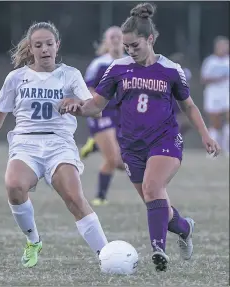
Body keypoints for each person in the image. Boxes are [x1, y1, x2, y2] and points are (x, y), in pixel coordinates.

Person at [59, 3, 220, 271]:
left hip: (165, 140)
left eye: (135, 45)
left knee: (152, 189)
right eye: (126, 46)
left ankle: (159, 250)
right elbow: (96, 105)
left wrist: (205, 136)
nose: (130, 51)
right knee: (157, 204)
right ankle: (184, 228)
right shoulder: (117, 69)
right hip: (132, 146)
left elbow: (188, 106)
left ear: (150, 39)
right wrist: (76, 106)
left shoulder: (171, 70)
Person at [0, 21, 108, 268]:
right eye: (38, 45)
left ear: (57, 45)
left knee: (75, 198)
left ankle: (106, 256)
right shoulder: (16, 78)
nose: (44, 49)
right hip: (26, 143)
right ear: (31, 48)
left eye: (49, 44)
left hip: (59, 144)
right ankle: (33, 240)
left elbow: (95, 110)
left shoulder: (70, 75)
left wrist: (75, 104)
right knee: (14, 186)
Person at [81, 26, 126, 206]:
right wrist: (95, 107)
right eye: (111, 37)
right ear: (106, 42)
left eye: (118, 36)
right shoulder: (99, 64)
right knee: (113, 159)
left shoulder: (131, 62)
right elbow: (87, 89)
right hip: (103, 113)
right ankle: (100, 197)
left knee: (125, 164)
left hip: (121, 115)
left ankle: (95, 146)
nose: (115, 40)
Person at [201, 36, 229, 156]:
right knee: (215, 124)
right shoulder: (210, 61)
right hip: (213, 95)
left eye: (225, 46)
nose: (223, 49)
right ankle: (213, 150)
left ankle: (227, 149)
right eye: (221, 46)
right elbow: (203, 79)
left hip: (227, 93)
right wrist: (218, 78)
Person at [169, 52, 192, 136]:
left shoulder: (186, 72)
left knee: (186, 123)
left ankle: (176, 137)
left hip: (181, 98)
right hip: (171, 98)